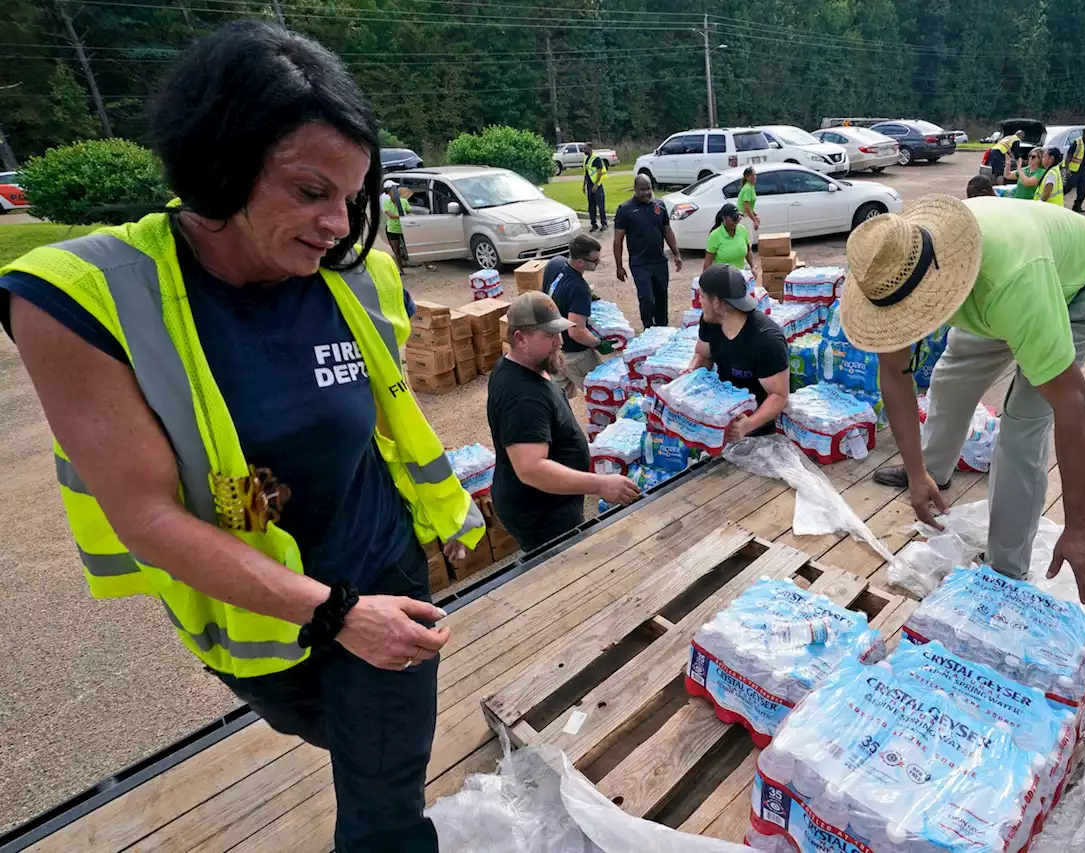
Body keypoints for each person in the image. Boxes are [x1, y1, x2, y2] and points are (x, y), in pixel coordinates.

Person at [0, 21, 485, 851]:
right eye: (308, 191)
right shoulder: (82, 297)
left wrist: (374, 598)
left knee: (383, 808)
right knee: (341, 734)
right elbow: (146, 514)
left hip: (383, 572)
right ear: (220, 166)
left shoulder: (361, 275)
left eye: (353, 195)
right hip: (258, 621)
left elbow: (375, 422)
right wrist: (334, 614)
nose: (339, 222)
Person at [846, 195, 1085, 608]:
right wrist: (917, 471)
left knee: (1023, 424)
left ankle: (1006, 572)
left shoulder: (1010, 285)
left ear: (937, 289)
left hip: (1077, 286)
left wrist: (1080, 527)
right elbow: (895, 374)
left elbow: (1075, 405)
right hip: (994, 287)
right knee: (951, 378)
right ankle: (934, 473)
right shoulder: (892, 265)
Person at [487, 292, 641, 551]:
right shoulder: (522, 396)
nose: (559, 341)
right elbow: (531, 468)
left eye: (558, 332)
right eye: (548, 335)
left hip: (552, 501)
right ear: (520, 338)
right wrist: (600, 484)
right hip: (542, 512)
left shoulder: (528, 365)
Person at [687, 264, 790, 440]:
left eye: (702, 297)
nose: (700, 302)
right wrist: (688, 377)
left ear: (717, 302)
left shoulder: (766, 340)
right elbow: (703, 356)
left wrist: (748, 424)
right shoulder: (709, 321)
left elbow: (779, 396)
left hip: (756, 422)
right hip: (721, 407)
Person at [542, 234, 613, 398]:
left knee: (558, 399)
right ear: (581, 262)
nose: (598, 263)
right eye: (595, 261)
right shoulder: (579, 288)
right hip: (576, 356)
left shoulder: (555, 263)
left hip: (554, 349)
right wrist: (598, 343)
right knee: (603, 396)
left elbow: (550, 294)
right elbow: (576, 331)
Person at [613, 174, 683, 328]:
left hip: (659, 261)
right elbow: (618, 240)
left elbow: (667, 230)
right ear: (635, 189)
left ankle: (662, 328)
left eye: (649, 189)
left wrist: (676, 254)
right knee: (646, 298)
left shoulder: (660, 205)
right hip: (639, 263)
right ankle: (648, 329)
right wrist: (619, 266)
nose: (646, 193)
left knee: (661, 297)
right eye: (642, 189)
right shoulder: (625, 210)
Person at [703, 203, 753, 272]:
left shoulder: (743, 230)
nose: (736, 221)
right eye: (734, 219)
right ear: (724, 218)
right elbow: (707, 265)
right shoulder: (714, 236)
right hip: (722, 276)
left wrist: (752, 266)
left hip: (740, 274)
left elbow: (748, 251)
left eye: (737, 218)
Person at [1062, 126, 1085, 213]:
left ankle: (1077, 207)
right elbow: (1069, 155)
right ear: (1084, 134)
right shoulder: (1076, 142)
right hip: (1074, 170)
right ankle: (1057, 200)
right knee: (1068, 187)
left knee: (1083, 190)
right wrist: (1067, 168)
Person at [381, 179, 411, 271]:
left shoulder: (403, 201)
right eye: (394, 189)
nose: (397, 191)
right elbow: (390, 215)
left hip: (404, 228)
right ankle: (400, 269)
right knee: (396, 250)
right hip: (393, 229)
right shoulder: (385, 201)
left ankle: (407, 263)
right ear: (389, 191)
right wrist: (402, 217)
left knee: (409, 248)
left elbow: (409, 212)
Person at [583, 142, 609, 232]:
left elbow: (600, 172)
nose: (583, 150)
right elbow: (586, 173)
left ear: (590, 148)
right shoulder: (586, 159)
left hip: (597, 185)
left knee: (600, 205)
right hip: (589, 185)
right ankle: (593, 224)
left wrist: (596, 185)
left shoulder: (596, 159)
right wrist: (584, 185)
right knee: (591, 206)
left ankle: (604, 223)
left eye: (585, 148)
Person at [737, 166, 761, 234]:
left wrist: (755, 214)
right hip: (743, 217)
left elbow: (750, 206)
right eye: (752, 175)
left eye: (755, 174)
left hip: (746, 216)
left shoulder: (751, 186)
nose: (755, 177)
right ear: (747, 177)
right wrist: (754, 221)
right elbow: (746, 207)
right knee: (748, 240)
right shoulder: (748, 188)